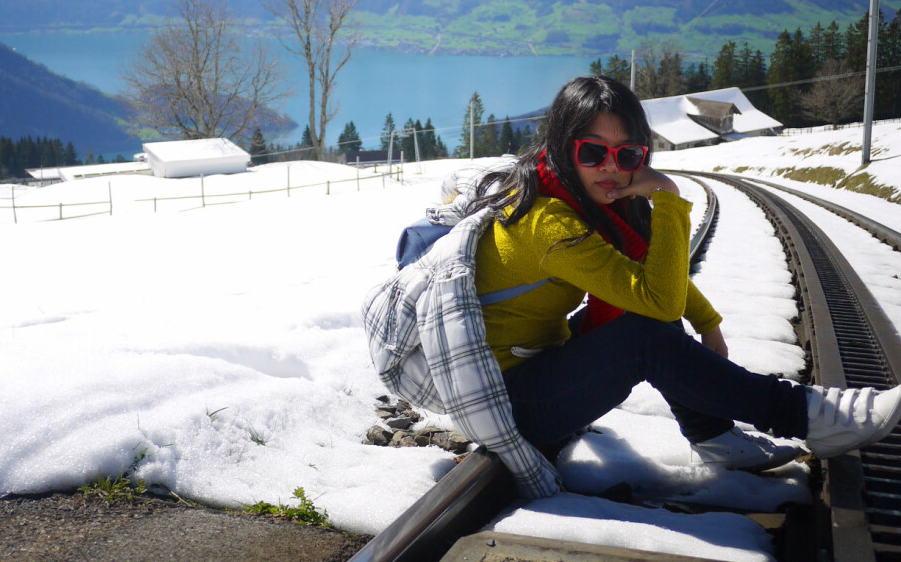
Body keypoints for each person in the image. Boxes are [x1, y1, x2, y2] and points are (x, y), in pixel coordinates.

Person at [363, 75, 901, 498]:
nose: (612, 170)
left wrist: (708, 320)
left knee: (643, 317)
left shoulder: (561, 194)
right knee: (643, 333)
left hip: (528, 367)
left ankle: (715, 436)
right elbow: (656, 300)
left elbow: (640, 278)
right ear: (561, 147)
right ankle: (809, 416)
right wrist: (666, 197)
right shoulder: (551, 224)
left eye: (628, 155)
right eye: (592, 152)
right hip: (509, 402)